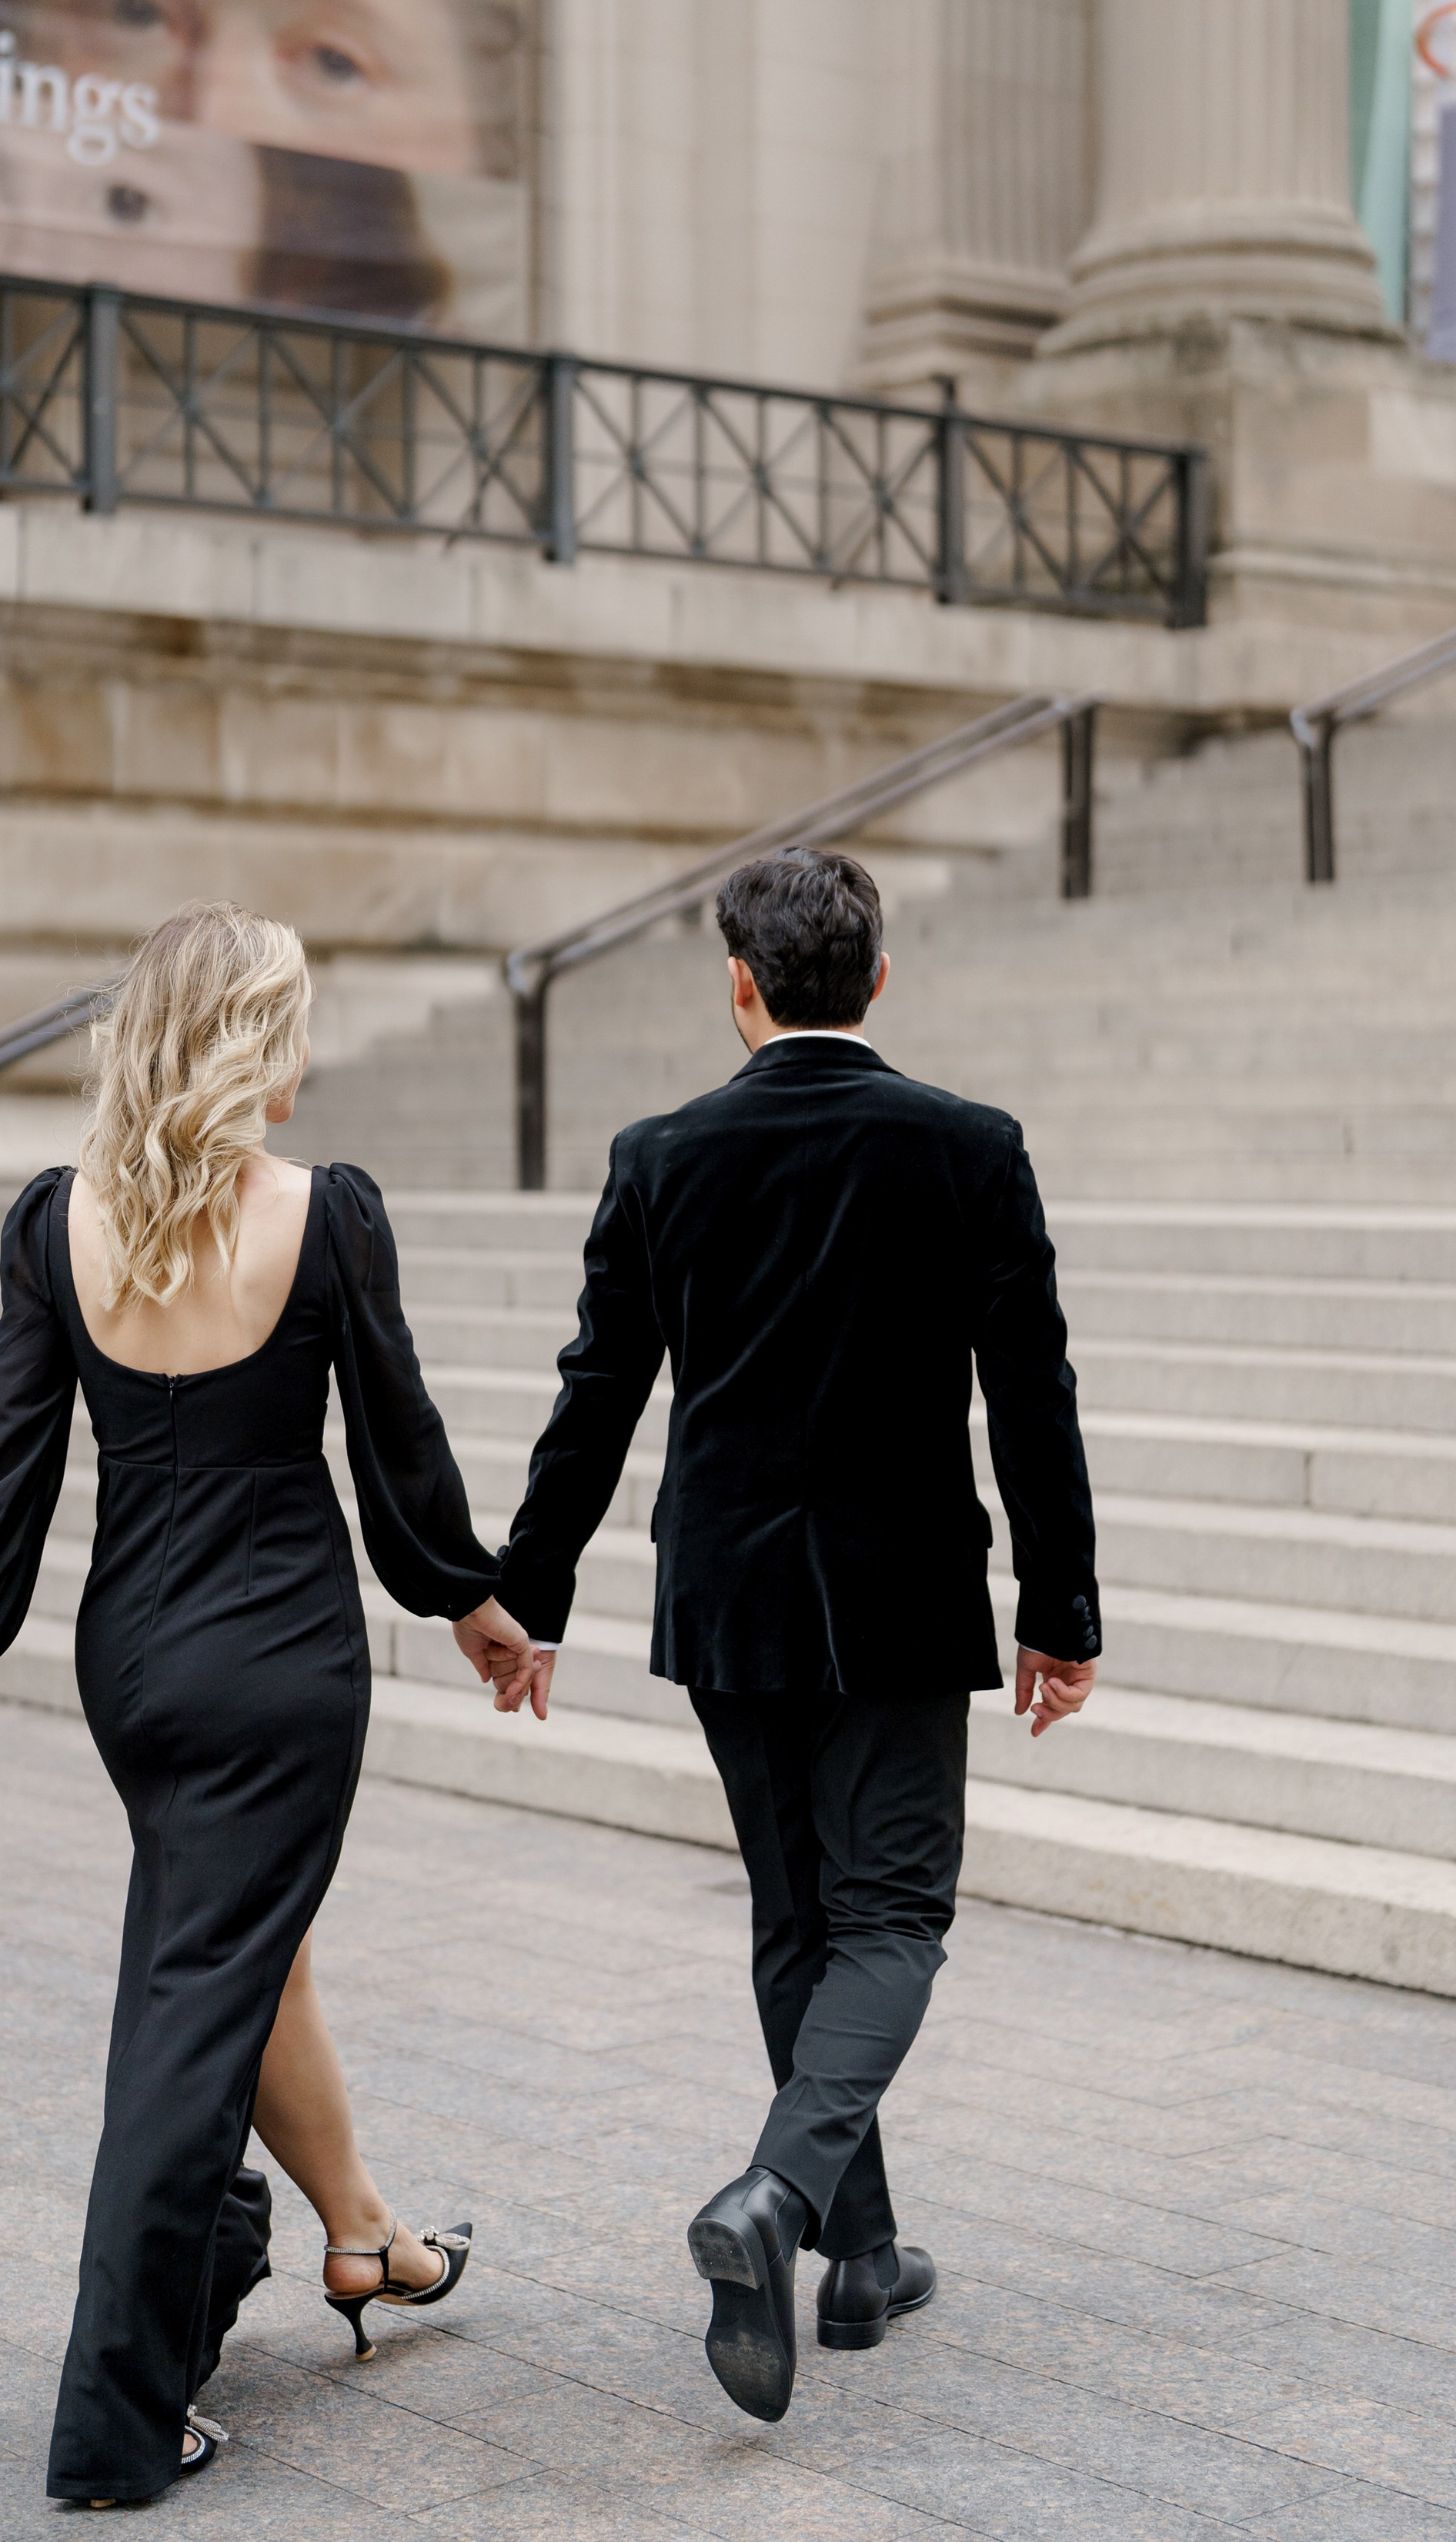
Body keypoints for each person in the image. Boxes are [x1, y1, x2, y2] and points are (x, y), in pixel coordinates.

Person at [0, 901, 539, 2504]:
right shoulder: (327, 1215)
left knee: (243, 1943)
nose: (303, 1050)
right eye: (288, 1021)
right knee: (193, 2007)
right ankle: (119, 2411)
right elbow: (403, 1451)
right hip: (282, 1667)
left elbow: (0, 1462)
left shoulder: (59, 1221)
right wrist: (474, 1606)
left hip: (138, 1660)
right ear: (247, 1042)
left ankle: (361, 2235)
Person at [495, 845, 1101, 2424]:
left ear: (737, 987)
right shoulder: (967, 1148)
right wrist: (1061, 1610)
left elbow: (594, 1402)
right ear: (876, 982)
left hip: (729, 1591)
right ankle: (780, 2205)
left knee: (795, 1914)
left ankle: (859, 2257)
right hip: (901, 1591)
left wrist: (528, 1595)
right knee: (891, 1917)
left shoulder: (657, 1155)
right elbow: (1032, 1396)